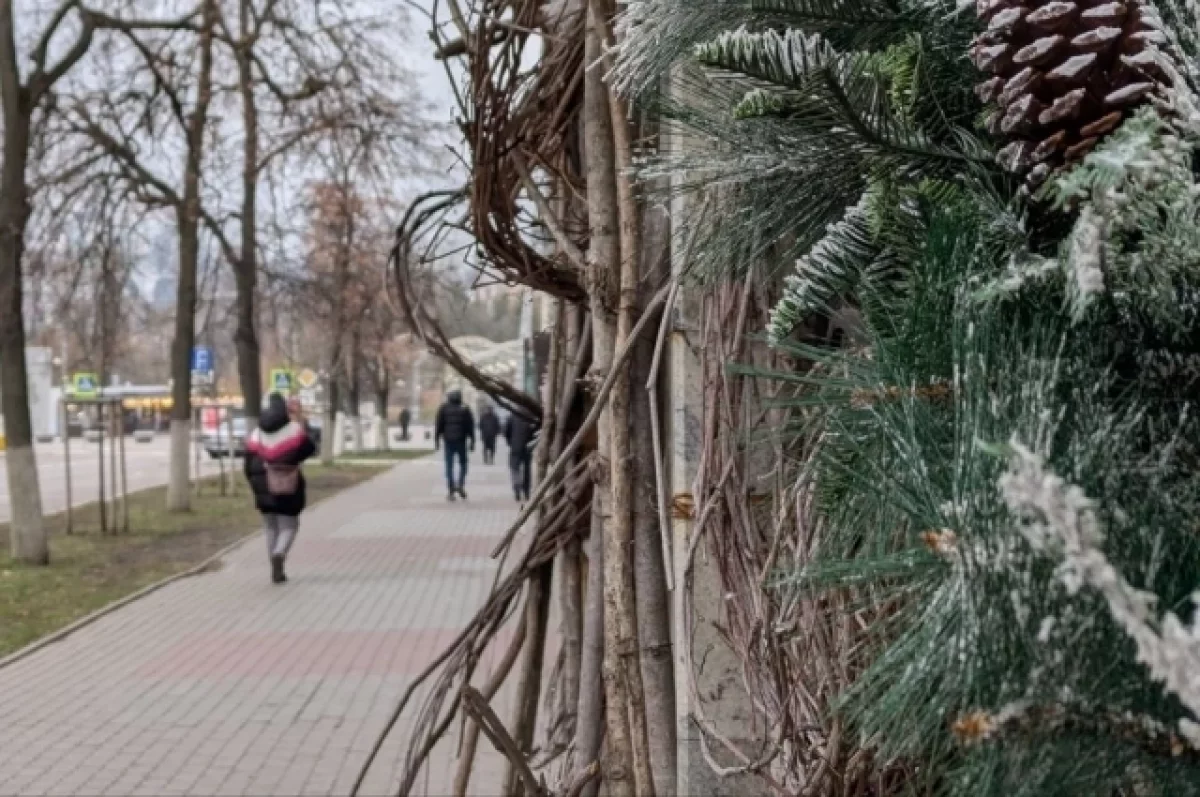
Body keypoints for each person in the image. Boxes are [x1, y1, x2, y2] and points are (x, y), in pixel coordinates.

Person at [244, 393, 317, 584]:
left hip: (262, 486)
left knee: (270, 527)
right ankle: (279, 554)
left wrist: (254, 485)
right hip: (287, 483)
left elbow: (248, 462)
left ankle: (275, 568)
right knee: (289, 525)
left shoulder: (256, 432)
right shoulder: (293, 430)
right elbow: (309, 448)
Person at [435, 389, 475, 501]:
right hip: (461, 441)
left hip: (448, 441)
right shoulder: (465, 408)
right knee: (463, 464)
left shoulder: (444, 408)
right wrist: (472, 441)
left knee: (449, 465)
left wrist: (436, 440)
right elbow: (470, 426)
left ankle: (451, 489)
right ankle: (460, 484)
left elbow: (439, 425)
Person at [504, 411, 537, 503]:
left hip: (515, 446)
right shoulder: (530, 416)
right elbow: (535, 433)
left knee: (514, 468)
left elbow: (506, 431)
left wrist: (510, 443)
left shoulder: (512, 415)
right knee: (527, 470)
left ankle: (517, 488)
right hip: (527, 446)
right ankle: (526, 491)